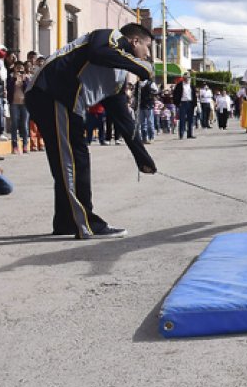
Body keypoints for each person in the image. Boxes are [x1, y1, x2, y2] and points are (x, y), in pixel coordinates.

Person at [24, 23, 158, 239]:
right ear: (134, 41)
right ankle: (86, 223)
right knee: (74, 161)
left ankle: (66, 222)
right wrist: (140, 66)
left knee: (69, 161)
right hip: (53, 92)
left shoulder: (118, 75)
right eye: (147, 47)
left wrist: (142, 157)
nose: (148, 54)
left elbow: (122, 117)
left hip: (62, 100)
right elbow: (98, 52)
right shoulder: (110, 37)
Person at [171, 75, 196, 140]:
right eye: (186, 78)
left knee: (190, 120)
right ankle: (181, 134)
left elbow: (194, 95)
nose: (188, 79)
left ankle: (190, 134)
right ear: (184, 78)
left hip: (190, 103)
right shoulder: (179, 85)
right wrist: (177, 103)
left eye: (188, 78)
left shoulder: (191, 86)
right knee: (182, 119)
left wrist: (194, 104)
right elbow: (175, 94)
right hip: (182, 103)